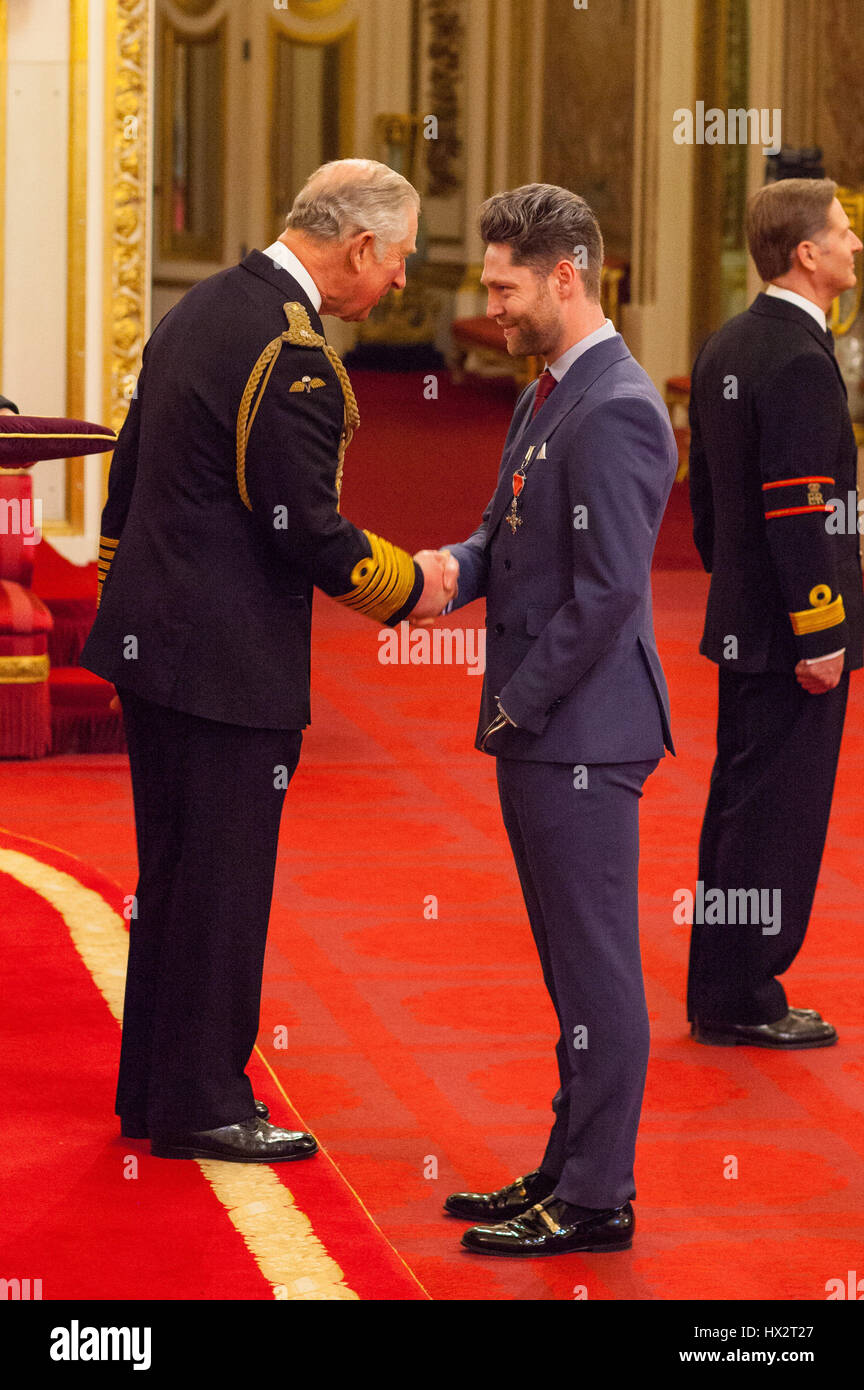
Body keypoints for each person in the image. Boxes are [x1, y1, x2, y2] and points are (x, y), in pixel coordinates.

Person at [81, 159, 454, 1163]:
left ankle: (158, 1089)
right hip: (225, 663)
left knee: (175, 873)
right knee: (223, 884)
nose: (401, 284)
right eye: (401, 260)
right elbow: (305, 528)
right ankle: (205, 1100)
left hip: (152, 642)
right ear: (360, 247)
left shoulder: (201, 306)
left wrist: (123, 602)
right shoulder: (290, 351)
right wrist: (411, 589)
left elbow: (129, 472)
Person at [433, 184, 676, 1255]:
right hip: (542, 731)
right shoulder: (545, 396)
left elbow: (612, 593)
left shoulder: (617, 403)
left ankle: (598, 1197)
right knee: (565, 966)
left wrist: (514, 706)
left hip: (581, 733)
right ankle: (564, 1164)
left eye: (505, 287)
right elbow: (502, 533)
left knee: (597, 972)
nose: (493, 308)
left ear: (565, 275)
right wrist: (441, 574)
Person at [687, 178, 864, 1048]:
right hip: (795, 635)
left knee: (739, 806)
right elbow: (801, 508)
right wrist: (820, 632)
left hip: (744, 621)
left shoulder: (728, 342)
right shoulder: (798, 358)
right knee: (777, 816)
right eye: (842, 231)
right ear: (805, 252)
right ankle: (744, 994)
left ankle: (723, 983)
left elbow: (711, 506)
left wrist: (740, 594)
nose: (853, 245)